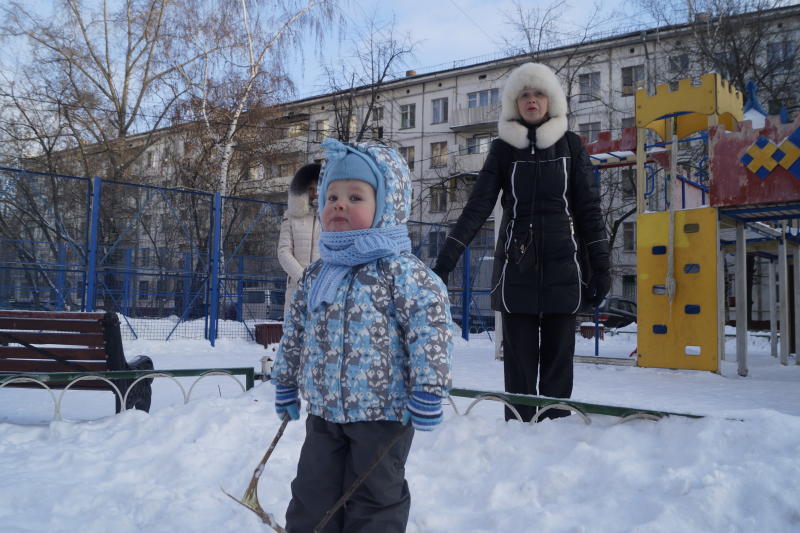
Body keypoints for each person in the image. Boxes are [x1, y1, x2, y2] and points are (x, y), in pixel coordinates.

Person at [271, 137, 453, 533]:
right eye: (331, 195)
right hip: (323, 411)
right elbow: (295, 332)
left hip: (383, 414)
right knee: (311, 495)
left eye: (355, 197)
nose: (338, 204)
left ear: (386, 205)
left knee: (375, 500)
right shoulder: (317, 273)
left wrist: (428, 387)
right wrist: (285, 382)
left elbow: (431, 329)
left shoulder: (401, 272)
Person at [433, 62, 610, 422]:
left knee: (559, 360)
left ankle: (555, 431)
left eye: (539, 92)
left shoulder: (571, 145)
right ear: (515, 102)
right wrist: (444, 261)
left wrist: (602, 264)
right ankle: (518, 431)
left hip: (565, 264)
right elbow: (477, 207)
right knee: (519, 361)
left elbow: (589, 208)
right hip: (518, 267)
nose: (532, 99)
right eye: (524, 94)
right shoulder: (502, 150)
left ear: (552, 99)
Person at [277, 163, 322, 318]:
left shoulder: (332, 217)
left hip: (323, 288)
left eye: (318, 188)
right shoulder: (290, 215)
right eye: (310, 189)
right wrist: (303, 278)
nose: (315, 193)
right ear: (302, 189)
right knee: (293, 337)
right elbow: (283, 252)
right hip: (297, 287)